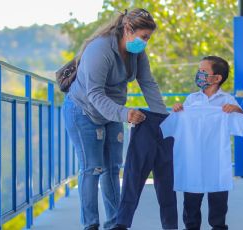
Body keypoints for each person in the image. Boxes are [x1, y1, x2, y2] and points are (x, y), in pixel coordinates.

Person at [62, 8, 168, 230]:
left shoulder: (136, 52)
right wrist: (125, 113)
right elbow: (95, 94)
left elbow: (147, 83)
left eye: (148, 38)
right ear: (128, 29)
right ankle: (90, 224)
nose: (145, 42)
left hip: (113, 111)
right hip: (84, 111)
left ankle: (115, 224)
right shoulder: (99, 50)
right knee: (92, 168)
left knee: (112, 168)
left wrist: (163, 119)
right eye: (144, 37)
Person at [170, 56, 243, 230]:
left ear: (217, 78)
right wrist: (177, 110)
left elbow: (241, 126)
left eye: (203, 72)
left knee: (218, 204)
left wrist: (237, 110)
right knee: (191, 204)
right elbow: (178, 125)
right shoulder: (192, 100)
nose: (199, 74)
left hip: (217, 161)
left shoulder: (227, 101)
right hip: (194, 160)